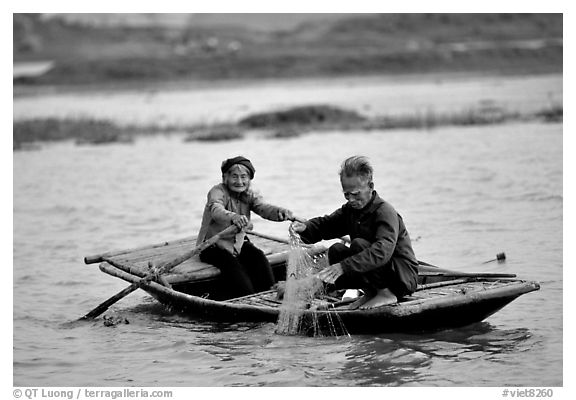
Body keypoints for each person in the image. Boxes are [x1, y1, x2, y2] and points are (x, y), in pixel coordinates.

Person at [291, 156, 419, 309]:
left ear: (370, 186)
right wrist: (305, 228)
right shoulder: (350, 210)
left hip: (401, 277)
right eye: (347, 195)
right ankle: (371, 292)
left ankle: (386, 294)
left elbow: (382, 252)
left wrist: (344, 267)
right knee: (336, 250)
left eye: (356, 194)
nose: (351, 199)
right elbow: (327, 225)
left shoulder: (385, 212)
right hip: (379, 273)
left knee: (358, 245)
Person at [197, 156, 300, 298]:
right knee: (233, 267)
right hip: (212, 245)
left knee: (258, 257)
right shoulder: (216, 192)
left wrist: (280, 212)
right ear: (225, 177)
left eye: (243, 177)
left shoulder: (249, 194)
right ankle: (248, 297)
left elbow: (263, 208)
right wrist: (233, 217)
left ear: (249, 179)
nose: (239, 182)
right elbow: (216, 210)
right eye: (234, 177)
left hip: (238, 244)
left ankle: (270, 295)